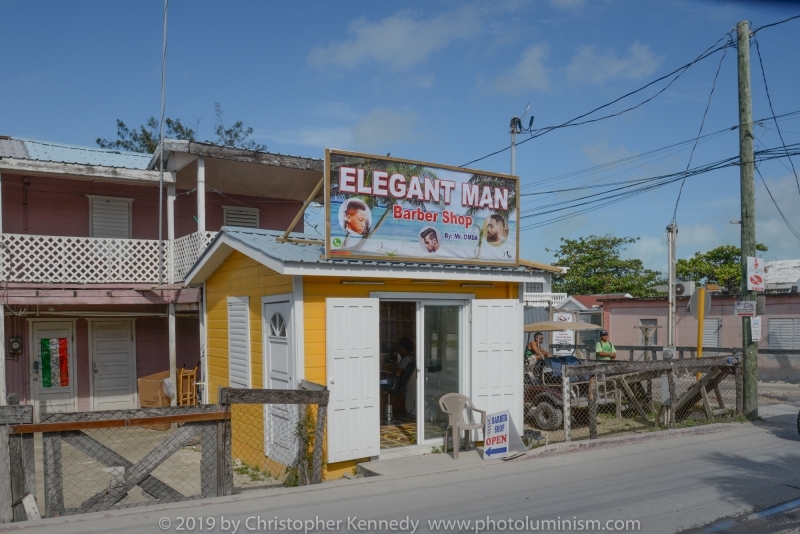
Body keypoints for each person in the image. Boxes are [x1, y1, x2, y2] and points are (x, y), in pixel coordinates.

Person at [394, 337, 416, 415]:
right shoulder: (410, 358)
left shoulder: (406, 359)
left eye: (399, 349)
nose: (398, 351)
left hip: (396, 383)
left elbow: (398, 373)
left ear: (403, 349)